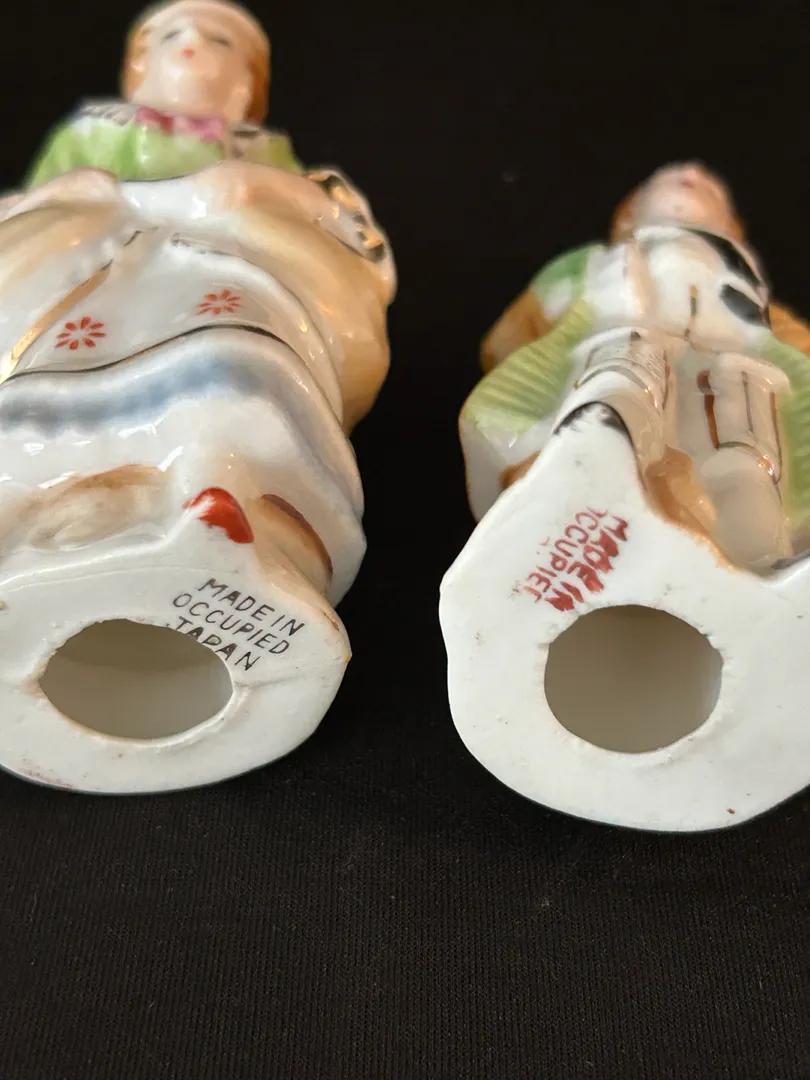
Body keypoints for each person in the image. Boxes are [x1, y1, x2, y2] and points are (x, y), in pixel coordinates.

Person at [462, 163, 810, 572]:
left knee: (744, 436)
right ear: (628, 215)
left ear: (731, 226)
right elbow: (520, 329)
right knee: (612, 400)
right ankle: (578, 498)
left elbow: (789, 339)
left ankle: (752, 544)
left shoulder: (742, 278)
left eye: (709, 192)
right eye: (663, 182)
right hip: (620, 349)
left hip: (728, 369)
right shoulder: (590, 265)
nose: (691, 174)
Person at [24, 0, 302, 188]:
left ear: (246, 80)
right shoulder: (93, 133)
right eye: (171, 35)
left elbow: (306, 209)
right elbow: (36, 206)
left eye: (220, 40)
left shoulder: (262, 149)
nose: (192, 36)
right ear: (141, 63)